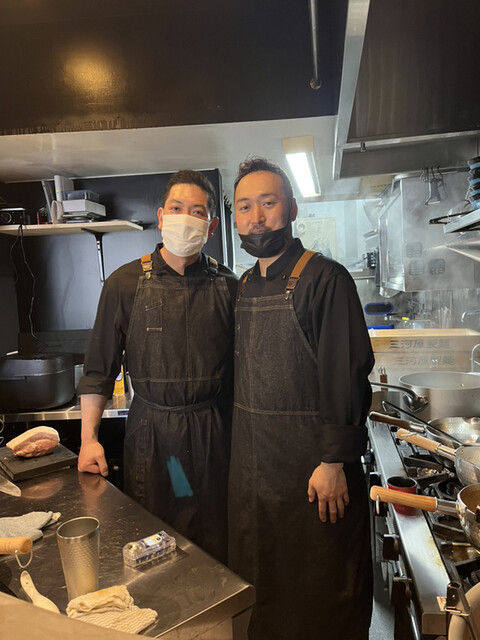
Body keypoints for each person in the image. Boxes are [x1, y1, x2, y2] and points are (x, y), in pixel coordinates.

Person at [228, 158, 375, 640]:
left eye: (268, 203)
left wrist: (333, 461)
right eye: (245, 207)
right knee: (266, 590)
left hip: (314, 473)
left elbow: (346, 374)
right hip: (256, 475)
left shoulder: (326, 279)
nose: (257, 218)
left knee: (321, 591)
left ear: (291, 209)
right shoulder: (243, 285)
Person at [77, 169, 237, 563]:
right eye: (177, 208)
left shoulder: (229, 285)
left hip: (215, 437)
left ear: (212, 226)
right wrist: (88, 440)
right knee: (159, 542)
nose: (186, 218)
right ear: (162, 216)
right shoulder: (125, 283)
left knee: (217, 540)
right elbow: (98, 371)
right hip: (156, 440)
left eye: (197, 212)